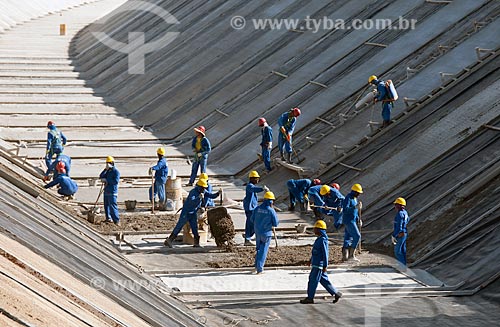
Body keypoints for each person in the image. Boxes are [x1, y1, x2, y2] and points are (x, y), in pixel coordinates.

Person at [164, 179, 221, 248]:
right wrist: (199, 198)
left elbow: (211, 195)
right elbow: (191, 201)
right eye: (203, 188)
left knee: (194, 228)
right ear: (200, 187)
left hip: (193, 213)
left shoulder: (203, 191)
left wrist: (218, 193)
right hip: (186, 212)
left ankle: (196, 243)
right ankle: (169, 240)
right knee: (179, 226)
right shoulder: (193, 192)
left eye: (205, 188)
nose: (204, 189)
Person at [300, 220, 342, 304]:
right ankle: (336, 293)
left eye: (315, 228)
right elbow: (315, 252)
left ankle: (310, 298)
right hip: (316, 264)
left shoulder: (323, 240)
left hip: (318, 266)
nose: (314, 230)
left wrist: (325, 266)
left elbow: (325, 253)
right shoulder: (319, 239)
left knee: (312, 281)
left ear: (320, 229)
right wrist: (310, 260)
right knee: (324, 280)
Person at [250, 191, 279, 274]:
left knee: (259, 249)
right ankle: (259, 268)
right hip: (266, 233)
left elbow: (252, 219)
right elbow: (276, 223)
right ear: (271, 201)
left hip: (258, 233)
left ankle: (256, 265)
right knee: (263, 250)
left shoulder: (257, 208)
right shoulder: (271, 211)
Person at [243, 171, 267, 246]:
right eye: (256, 179)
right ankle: (247, 238)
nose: (257, 180)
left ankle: (248, 235)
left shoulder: (251, 186)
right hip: (250, 208)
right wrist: (262, 189)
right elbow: (254, 189)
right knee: (251, 224)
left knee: (254, 223)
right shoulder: (249, 186)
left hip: (252, 208)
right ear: (252, 179)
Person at [341, 184, 363, 262]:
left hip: (353, 220)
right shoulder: (348, 198)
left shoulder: (355, 198)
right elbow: (345, 209)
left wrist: (358, 220)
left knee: (348, 238)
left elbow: (355, 212)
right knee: (357, 236)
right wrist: (354, 207)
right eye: (358, 193)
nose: (359, 194)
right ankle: (351, 255)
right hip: (348, 221)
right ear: (354, 192)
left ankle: (345, 256)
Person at [99, 156, 120, 225]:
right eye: (107, 163)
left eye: (109, 163)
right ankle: (108, 218)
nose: (107, 164)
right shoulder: (108, 171)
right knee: (106, 206)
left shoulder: (116, 172)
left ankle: (116, 220)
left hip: (112, 192)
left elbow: (115, 181)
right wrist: (105, 170)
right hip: (106, 191)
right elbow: (101, 176)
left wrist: (107, 180)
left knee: (113, 206)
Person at [392, 197, 410, 267]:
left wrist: (394, 235)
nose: (395, 207)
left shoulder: (399, 214)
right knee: (403, 250)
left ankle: (401, 267)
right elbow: (408, 220)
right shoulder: (405, 213)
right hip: (404, 233)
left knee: (398, 251)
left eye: (396, 205)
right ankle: (404, 264)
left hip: (400, 234)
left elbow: (399, 226)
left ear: (399, 205)